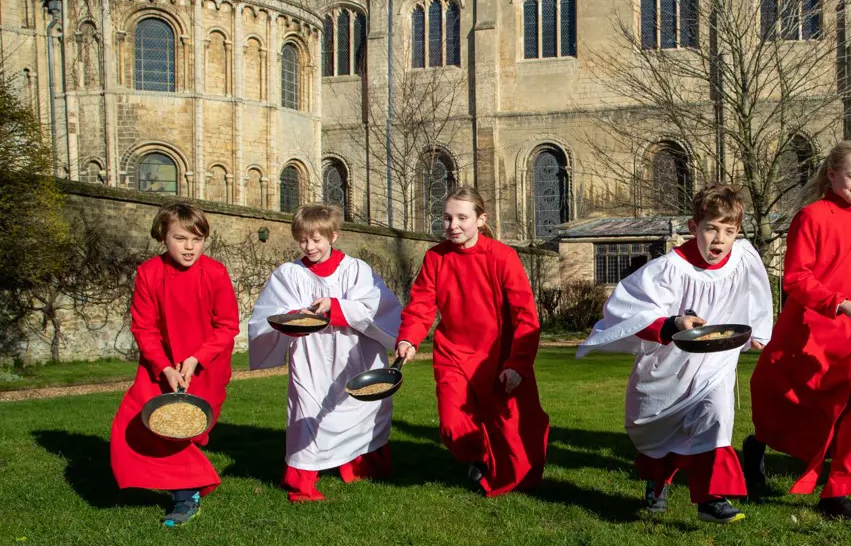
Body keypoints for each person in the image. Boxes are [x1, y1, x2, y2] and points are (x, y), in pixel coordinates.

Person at [578, 184, 774, 524]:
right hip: (668, 364)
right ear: (693, 227)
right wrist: (672, 323)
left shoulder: (743, 257)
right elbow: (628, 310)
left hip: (716, 361)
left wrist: (757, 331)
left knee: (716, 417)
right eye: (711, 228)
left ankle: (712, 499)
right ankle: (658, 481)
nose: (719, 239)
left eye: (729, 231)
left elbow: (757, 292)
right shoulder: (667, 269)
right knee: (660, 430)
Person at [745, 141, 851, 522]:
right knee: (793, 405)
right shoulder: (810, 216)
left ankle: (837, 494)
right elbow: (795, 278)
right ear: (832, 174)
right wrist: (838, 302)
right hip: (810, 328)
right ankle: (757, 444)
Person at [396, 186, 549, 496]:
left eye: (461, 218)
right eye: (448, 218)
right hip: (452, 354)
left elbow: (525, 316)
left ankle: (498, 464)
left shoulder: (503, 257)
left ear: (481, 220)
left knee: (513, 433)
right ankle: (480, 457)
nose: (453, 225)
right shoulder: (435, 258)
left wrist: (517, 363)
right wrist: (409, 339)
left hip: (498, 355)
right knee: (453, 426)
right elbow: (421, 305)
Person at [248, 204, 402, 502]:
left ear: (333, 236)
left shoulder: (355, 269)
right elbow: (270, 314)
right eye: (303, 240)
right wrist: (296, 316)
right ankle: (302, 484)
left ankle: (362, 467)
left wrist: (336, 305)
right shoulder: (289, 274)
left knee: (361, 409)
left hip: (353, 352)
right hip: (311, 355)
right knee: (307, 409)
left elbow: (376, 307)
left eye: (316, 240)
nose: (309, 246)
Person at [110, 202, 239, 527]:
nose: (190, 247)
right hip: (159, 365)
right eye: (181, 238)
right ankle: (186, 493)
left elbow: (227, 326)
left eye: (197, 239)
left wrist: (196, 359)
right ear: (163, 237)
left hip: (205, 366)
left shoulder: (215, 273)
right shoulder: (148, 274)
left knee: (184, 431)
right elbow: (144, 327)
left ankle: (186, 492)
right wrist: (164, 366)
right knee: (134, 423)